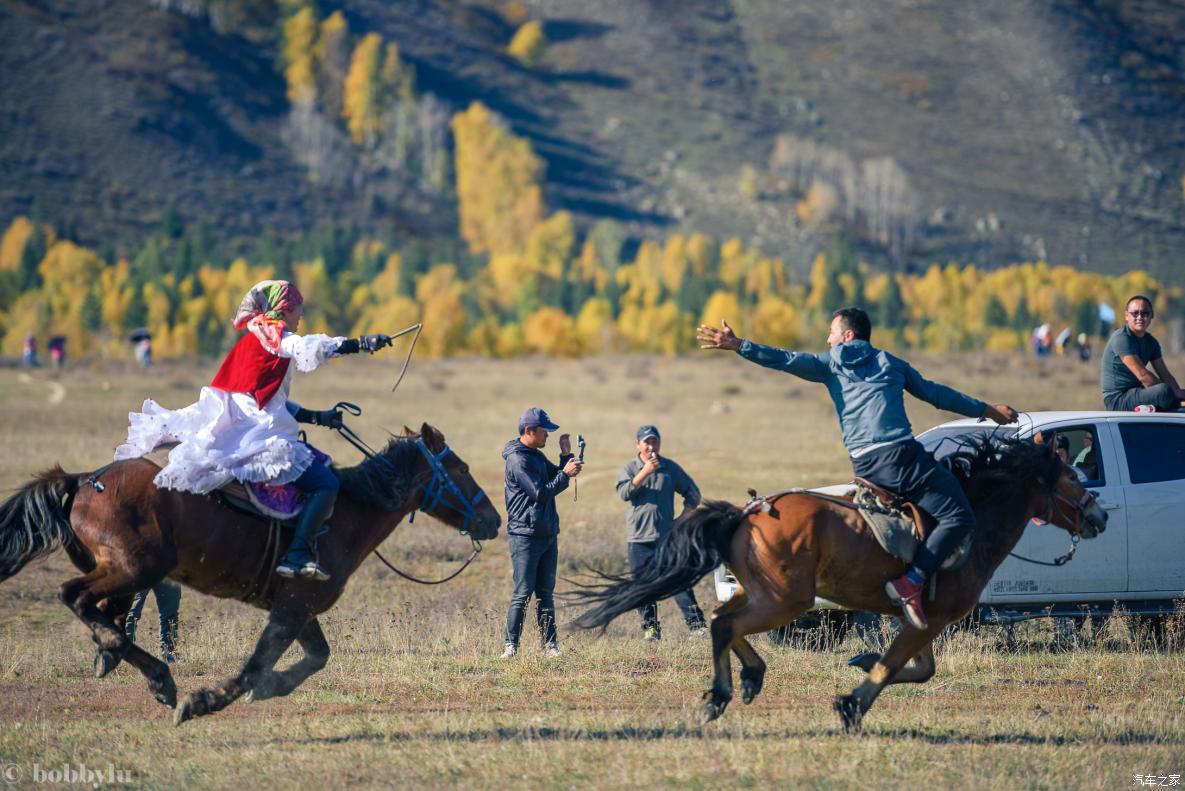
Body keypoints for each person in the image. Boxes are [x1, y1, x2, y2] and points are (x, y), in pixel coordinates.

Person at [697, 308, 1018, 631]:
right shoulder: (891, 363)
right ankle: (913, 581)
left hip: (865, 466)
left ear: (848, 335)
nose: (828, 339)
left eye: (832, 332)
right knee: (959, 516)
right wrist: (988, 410)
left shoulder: (828, 364)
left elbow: (785, 359)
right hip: (900, 458)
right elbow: (935, 394)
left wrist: (740, 345)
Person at [115, 279, 394, 582]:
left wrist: (317, 417)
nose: (300, 317)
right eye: (298, 310)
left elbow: (266, 398)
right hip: (255, 435)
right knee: (326, 484)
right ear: (284, 309)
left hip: (241, 427)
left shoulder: (254, 337)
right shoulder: (277, 337)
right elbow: (306, 347)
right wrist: (361, 344)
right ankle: (298, 555)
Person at [501, 407, 583, 658]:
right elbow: (540, 492)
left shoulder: (535, 455)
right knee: (523, 592)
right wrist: (565, 474)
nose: (548, 434)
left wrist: (566, 456)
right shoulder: (518, 460)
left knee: (545, 593)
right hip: (525, 536)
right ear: (529, 431)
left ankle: (550, 645)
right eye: (544, 431)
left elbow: (554, 477)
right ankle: (511, 647)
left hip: (547, 533)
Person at [616, 425, 706, 640]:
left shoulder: (670, 468)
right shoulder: (630, 467)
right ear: (637, 445)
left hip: (667, 538)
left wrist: (682, 519)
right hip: (639, 539)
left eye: (654, 441)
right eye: (646, 442)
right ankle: (651, 629)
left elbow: (693, 494)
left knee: (678, 580)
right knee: (643, 586)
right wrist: (645, 472)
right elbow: (624, 493)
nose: (651, 446)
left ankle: (697, 626)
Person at [1100, 295, 1185, 412]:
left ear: (1151, 316)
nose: (1139, 317)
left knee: (1169, 391)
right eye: (1135, 313)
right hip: (1117, 400)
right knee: (1163, 390)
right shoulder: (1121, 338)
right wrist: (1173, 396)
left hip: (1137, 393)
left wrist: (1178, 392)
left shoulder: (1151, 342)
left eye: (1144, 313)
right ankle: (1175, 405)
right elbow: (1143, 375)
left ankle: (1151, 408)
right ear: (1126, 316)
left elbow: (1165, 374)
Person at [124, 579, 182, 663]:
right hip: (140, 572)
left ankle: (169, 654)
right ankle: (124, 652)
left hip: (168, 574)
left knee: (171, 614)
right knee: (131, 612)